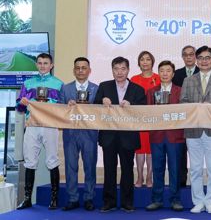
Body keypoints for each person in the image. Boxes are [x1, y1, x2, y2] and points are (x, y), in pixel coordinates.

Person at [180, 45, 211, 214]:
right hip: (193, 130)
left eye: (207, 58)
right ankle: (198, 200)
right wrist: (196, 108)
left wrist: (209, 108)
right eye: (200, 58)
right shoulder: (188, 80)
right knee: (195, 168)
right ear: (196, 60)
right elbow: (183, 103)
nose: (204, 61)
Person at [94, 56, 146, 213]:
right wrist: (101, 102)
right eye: (116, 69)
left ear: (128, 70)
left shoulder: (137, 89)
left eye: (123, 69)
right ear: (112, 70)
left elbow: (143, 111)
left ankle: (127, 202)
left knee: (127, 170)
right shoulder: (104, 86)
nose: (119, 72)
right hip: (109, 136)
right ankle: (108, 202)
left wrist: (132, 106)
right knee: (109, 169)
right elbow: (94, 107)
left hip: (128, 137)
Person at [16, 53, 63, 210]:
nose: (43, 65)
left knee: (52, 160)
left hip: (50, 125)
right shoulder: (28, 83)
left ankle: (54, 198)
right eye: (40, 63)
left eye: (46, 63)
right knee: (30, 161)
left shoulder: (58, 84)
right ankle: (28, 198)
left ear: (51, 65)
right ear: (36, 64)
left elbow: (62, 108)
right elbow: (20, 108)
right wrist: (22, 103)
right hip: (32, 125)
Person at [59, 57, 99, 211]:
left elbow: (100, 111)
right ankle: (73, 198)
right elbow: (60, 111)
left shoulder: (96, 88)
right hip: (70, 133)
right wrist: (67, 107)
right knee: (71, 167)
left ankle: (89, 198)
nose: (81, 71)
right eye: (78, 68)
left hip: (89, 134)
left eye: (84, 68)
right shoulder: (66, 88)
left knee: (90, 167)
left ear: (89, 70)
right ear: (74, 70)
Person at [145, 60, 184, 212]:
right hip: (157, 136)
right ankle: (157, 199)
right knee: (157, 169)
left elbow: (184, 113)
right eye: (162, 71)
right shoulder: (151, 91)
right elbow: (148, 113)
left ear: (173, 74)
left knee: (175, 170)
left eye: (168, 71)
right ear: (158, 73)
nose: (165, 73)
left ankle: (175, 200)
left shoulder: (180, 91)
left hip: (175, 136)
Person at [131, 51, 160, 188]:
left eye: (148, 59)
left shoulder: (159, 78)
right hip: (139, 119)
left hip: (155, 119)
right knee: (140, 148)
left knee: (151, 148)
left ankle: (149, 176)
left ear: (152, 62)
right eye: (142, 59)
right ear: (139, 63)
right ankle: (139, 176)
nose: (145, 62)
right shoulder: (134, 79)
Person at [172, 45, 199, 187]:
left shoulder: (203, 72)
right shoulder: (175, 74)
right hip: (181, 120)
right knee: (181, 153)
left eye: (191, 54)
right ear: (182, 57)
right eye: (185, 55)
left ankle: (196, 181)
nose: (188, 57)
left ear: (195, 57)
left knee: (196, 154)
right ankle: (181, 180)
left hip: (198, 120)